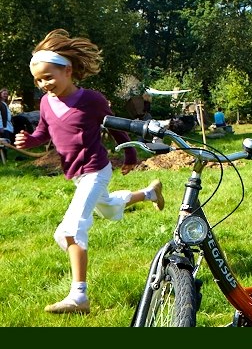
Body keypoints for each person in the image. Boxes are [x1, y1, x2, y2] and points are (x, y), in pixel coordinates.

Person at [14, 29, 165, 315]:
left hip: (96, 168)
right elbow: (43, 132)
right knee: (107, 207)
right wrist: (28, 140)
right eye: (38, 80)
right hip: (76, 174)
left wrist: (130, 154)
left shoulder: (92, 100)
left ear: (68, 70)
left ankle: (78, 296)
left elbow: (116, 127)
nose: (44, 84)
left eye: (48, 77)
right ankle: (149, 193)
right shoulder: (46, 103)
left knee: (72, 229)